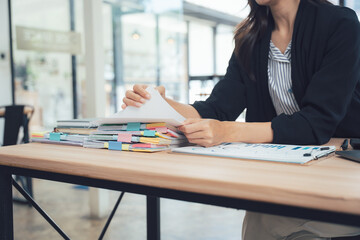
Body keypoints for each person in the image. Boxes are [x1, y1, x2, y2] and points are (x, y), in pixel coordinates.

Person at [122, 0, 360, 239]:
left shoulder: (340, 24)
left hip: (339, 175)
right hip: (284, 173)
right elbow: (217, 109)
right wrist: (162, 105)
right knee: (261, 225)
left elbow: (315, 124)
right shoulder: (251, 37)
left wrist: (227, 131)